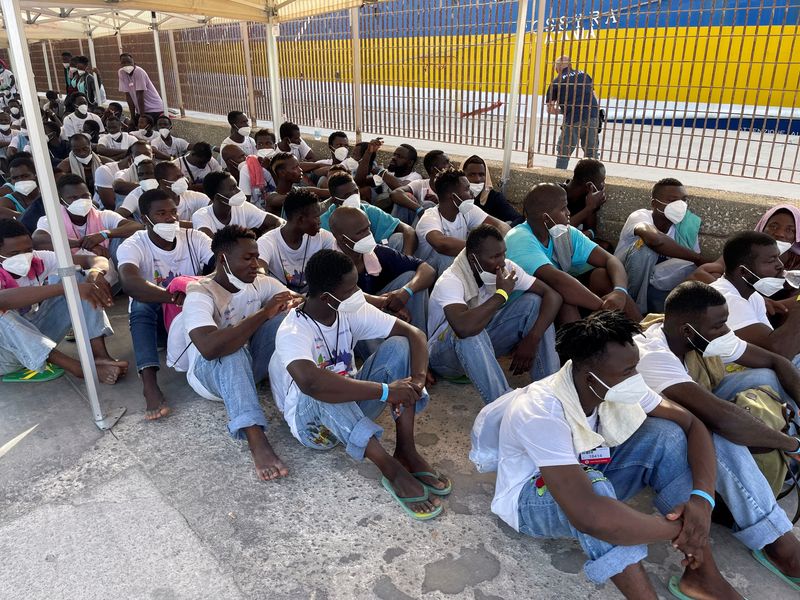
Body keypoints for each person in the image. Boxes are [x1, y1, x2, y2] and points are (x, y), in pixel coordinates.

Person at [479, 309, 800, 599]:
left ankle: (703, 576)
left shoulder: (610, 380)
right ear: (591, 377)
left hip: (593, 469)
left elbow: (691, 424)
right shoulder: (539, 411)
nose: (638, 377)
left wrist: (702, 501)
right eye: (629, 371)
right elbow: (588, 514)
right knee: (593, 488)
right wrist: (681, 528)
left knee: (668, 436)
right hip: (531, 498)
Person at [269, 249, 449, 520]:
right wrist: (387, 392)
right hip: (314, 426)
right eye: (351, 288)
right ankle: (391, 469)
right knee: (320, 385)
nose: (358, 293)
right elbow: (310, 383)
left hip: (351, 403)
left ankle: (406, 450)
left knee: (400, 345)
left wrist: (416, 382)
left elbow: (415, 334)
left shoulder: (349, 310)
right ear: (328, 297)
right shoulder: (293, 330)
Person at [167, 225, 301, 480]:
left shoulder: (260, 283)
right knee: (231, 349)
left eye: (256, 257)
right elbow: (208, 348)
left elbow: (300, 299)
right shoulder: (201, 294)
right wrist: (264, 312)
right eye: (247, 258)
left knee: (287, 317)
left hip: (247, 370)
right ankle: (255, 437)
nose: (256, 265)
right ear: (222, 259)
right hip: (209, 378)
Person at [634, 281, 800, 475]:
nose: (726, 332)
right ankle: (767, 502)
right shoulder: (653, 355)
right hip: (659, 435)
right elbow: (721, 417)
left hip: (701, 402)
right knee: (722, 436)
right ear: (687, 331)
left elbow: (776, 360)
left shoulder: (701, 335)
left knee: (766, 375)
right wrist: (791, 445)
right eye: (719, 326)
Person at [428, 225, 560, 404]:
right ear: (473, 258)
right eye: (495, 257)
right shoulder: (451, 280)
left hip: (482, 347)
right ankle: (502, 404)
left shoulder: (505, 269)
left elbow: (552, 295)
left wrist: (532, 338)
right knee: (470, 327)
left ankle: (551, 391)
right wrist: (501, 295)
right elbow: (463, 328)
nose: (503, 261)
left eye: (503, 253)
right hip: (444, 358)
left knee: (534, 302)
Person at [118, 189, 214, 420]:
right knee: (141, 304)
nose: (171, 218)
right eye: (161, 213)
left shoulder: (194, 237)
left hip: (192, 319)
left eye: (173, 212)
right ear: (145, 219)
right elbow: (129, 283)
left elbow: (221, 264)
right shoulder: (134, 244)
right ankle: (150, 384)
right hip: (159, 325)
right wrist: (172, 296)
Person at [0, 218, 127, 384]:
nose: (24, 257)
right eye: (14, 254)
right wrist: (65, 288)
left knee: (77, 277)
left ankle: (100, 356)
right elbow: (3, 300)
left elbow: (93, 260)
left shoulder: (39, 259)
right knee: (3, 315)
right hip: (4, 356)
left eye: (27, 250)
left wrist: (95, 272)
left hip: (32, 339)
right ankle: (80, 369)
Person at [505, 183, 640, 323]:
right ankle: (578, 342)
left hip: (553, 297)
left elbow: (610, 260)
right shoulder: (520, 238)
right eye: (563, 209)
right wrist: (606, 307)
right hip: (520, 311)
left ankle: (645, 335)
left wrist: (620, 292)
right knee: (564, 296)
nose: (569, 213)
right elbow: (557, 280)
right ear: (546, 218)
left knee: (602, 276)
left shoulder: (564, 232)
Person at [328, 206, 435, 353]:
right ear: (342, 238)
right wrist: (386, 303)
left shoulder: (376, 252)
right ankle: (383, 363)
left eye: (368, 229)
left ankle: (420, 348)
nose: (368, 235)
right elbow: (343, 296)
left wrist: (405, 291)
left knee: (411, 278)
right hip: (354, 325)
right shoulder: (328, 262)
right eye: (361, 232)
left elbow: (427, 269)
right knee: (356, 310)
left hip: (382, 307)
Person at [614, 178, 707, 313]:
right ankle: (631, 308)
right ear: (654, 203)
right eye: (672, 200)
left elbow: (691, 265)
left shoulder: (686, 227)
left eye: (683, 200)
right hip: (625, 277)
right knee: (645, 249)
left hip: (654, 284)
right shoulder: (640, 216)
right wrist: (697, 259)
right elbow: (655, 240)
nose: (680, 205)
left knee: (693, 267)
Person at [32, 174, 141, 285]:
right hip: (70, 272)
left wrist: (103, 234)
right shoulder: (51, 220)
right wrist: (81, 243)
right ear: (61, 201)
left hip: (104, 269)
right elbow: (37, 241)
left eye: (85, 196)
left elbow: (136, 227)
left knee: (124, 238)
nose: (81, 201)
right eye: (74, 198)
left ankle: (128, 282)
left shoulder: (103, 215)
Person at [711, 231, 800, 365]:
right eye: (771, 260)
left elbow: (776, 347)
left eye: (778, 258)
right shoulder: (727, 300)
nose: (780, 265)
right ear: (743, 272)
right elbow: (779, 353)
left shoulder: (754, 296)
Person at [415, 167, 509, 275]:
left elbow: (501, 226)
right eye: (467, 189)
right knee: (449, 258)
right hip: (425, 272)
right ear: (453, 196)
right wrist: (483, 249)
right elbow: (441, 244)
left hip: (453, 269)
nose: (472, 193)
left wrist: (503, 244)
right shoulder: (430, 217)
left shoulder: (467, 210)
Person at [693, 204, 800, 285]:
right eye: (773, 226)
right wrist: (741, 297)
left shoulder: (796, 262)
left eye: (790, 230)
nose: (780, 234)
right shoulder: (745, 249)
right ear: (762, 227)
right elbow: (702, 272)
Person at [257, 188, 334, 293]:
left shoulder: (322, 236)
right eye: (316, 217)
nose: (319, 221)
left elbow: (341, 265)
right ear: (301, 219)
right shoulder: (267, 242)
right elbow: (259, 273)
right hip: (282, 301)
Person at [322, 171, 416, 255]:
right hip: (346, 265)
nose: (354, 197)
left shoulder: (369, 210)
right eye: (347, 195)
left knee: (398, 238)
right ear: (335, 200)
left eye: (356, 192)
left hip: (378, 257)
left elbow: (408, 230)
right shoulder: (324, 223)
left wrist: (407, 257)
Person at [546, 56, 600, 169]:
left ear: (557, 68)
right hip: (593, 115)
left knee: (563, 152)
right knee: (592, 153)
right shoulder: (585, 75)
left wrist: (563, 111)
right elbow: (595, 97)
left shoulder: (556, 82)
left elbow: (550, 109)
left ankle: (559, 179)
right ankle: (593, 180)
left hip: (573, 118)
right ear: (570, 65)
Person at [118, 160, 209, 225]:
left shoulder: (191, 195)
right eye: (177, 178)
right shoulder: (138, 195)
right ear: (163, 182)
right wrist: (138, 225)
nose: (183, 180)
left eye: (182, 176)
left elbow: (213, 207)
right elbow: (117, 216)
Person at [193, 171, 281, 238]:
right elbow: (213, 247)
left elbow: (279, 222)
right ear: (218, 197)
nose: (239, 191)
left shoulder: (242, 207)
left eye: (236, 186)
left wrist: (267, 239)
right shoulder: (201, 216)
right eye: (233, 188)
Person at [388, 149, 451, 225]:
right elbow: (395, 193)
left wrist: (438, 203)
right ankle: (393, 232)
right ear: (434, 169)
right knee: (404, 198)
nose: (451, 165)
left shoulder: (455, 187)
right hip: (415, 224)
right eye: (446, 163)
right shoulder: (420, 184)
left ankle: (411, 235)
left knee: (428, 205)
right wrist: (419, 209)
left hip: (439, 227)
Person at [461, 155, 523, 225]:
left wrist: (501, 230)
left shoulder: (494, 198)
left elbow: (518, 219)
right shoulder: (455, 199)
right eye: (472, 175)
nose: (477, 179)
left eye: (481, 175)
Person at [263, 152, 329, 216]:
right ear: (282, 173)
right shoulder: (272, 198)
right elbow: (289, 199)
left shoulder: (298, 191)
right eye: (295, 168)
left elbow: (322, 192)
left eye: (299, 166)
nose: (300, 170)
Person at [560, 158, 607, 242]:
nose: (603, 186)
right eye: (602, 181)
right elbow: (559, 231)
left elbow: (591, 231)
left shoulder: (589, 197)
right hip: (554, 246)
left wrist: (588, 233)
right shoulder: (556, 195)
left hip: (576, 243)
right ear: (589, 185)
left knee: (606, 246)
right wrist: (589, 208)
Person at [0, 155, 45, 233]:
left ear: (35, 175)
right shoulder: (6, 201)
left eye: (25, 176)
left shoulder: (46, 195)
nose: (20, 180)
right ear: (11, 180)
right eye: (15, 178)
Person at [118, 53, 164, 123]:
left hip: (154, 109)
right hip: (141, 110)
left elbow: (140, 95)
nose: (126, 64)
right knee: (131, 127)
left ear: (134, 63)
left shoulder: (139, 72)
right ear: (120, 64)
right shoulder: (121, 73)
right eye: (123, 63)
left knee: (143, 128)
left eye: (129, 62)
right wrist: (132, 117)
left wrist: (142, 118)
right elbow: (128, 96)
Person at [238, 129, 277, 210]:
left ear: (275, 146)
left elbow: (281, 190)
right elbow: (246, 199)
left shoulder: (280, 165)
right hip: (257, 211)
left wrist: (269, 169)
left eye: (268, 143)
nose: (264, 147)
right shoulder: (247, 169)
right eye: (260, 144)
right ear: (256, 147)